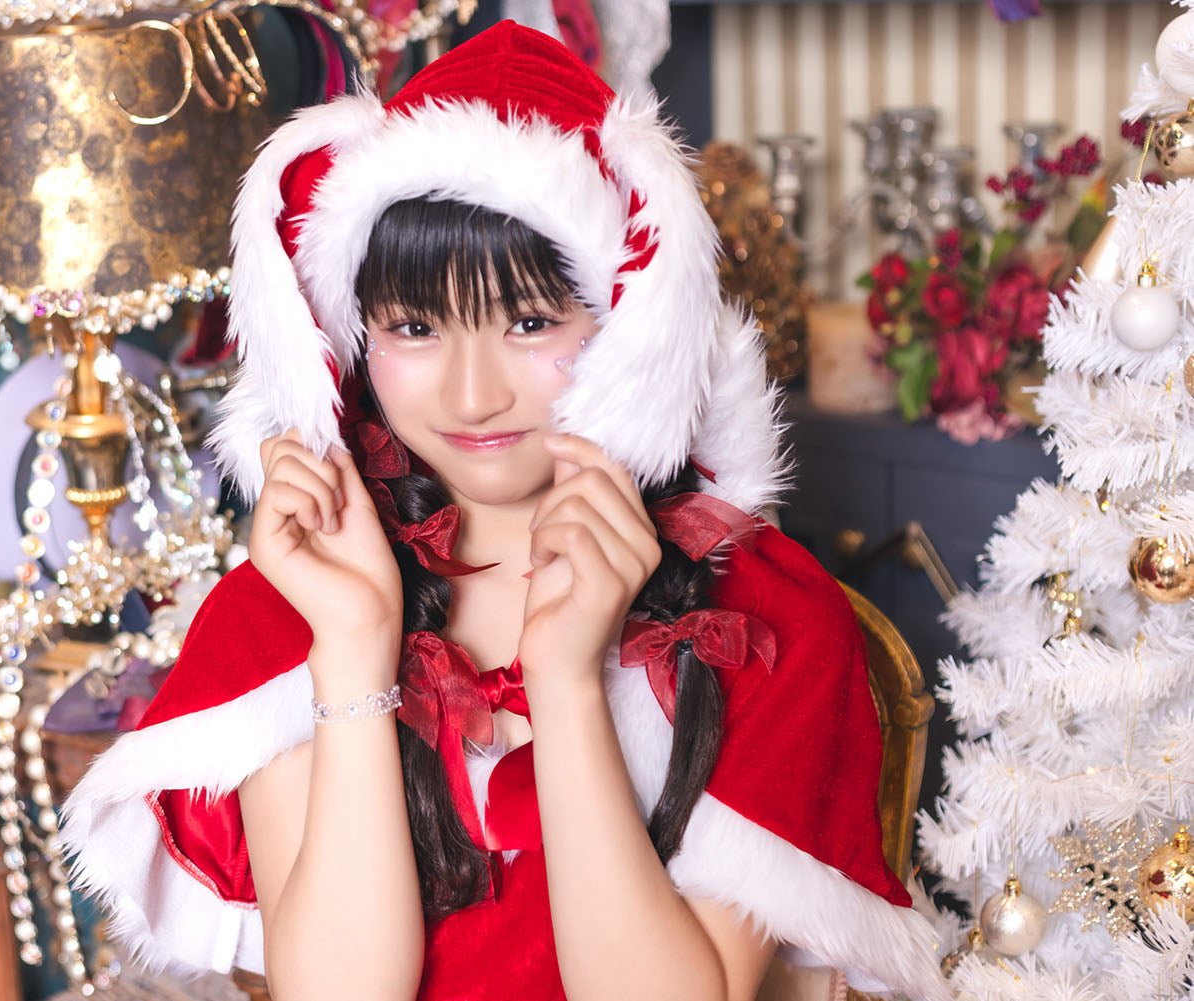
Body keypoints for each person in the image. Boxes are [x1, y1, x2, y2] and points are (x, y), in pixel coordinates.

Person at [62, 21, 948, 1001]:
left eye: (530, 320)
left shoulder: (766, 625)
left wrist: (567, 680)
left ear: (628, 322)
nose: (472, 395)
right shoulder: (299, 601)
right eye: (415, 326)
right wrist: (354, 646)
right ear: (355, 336)